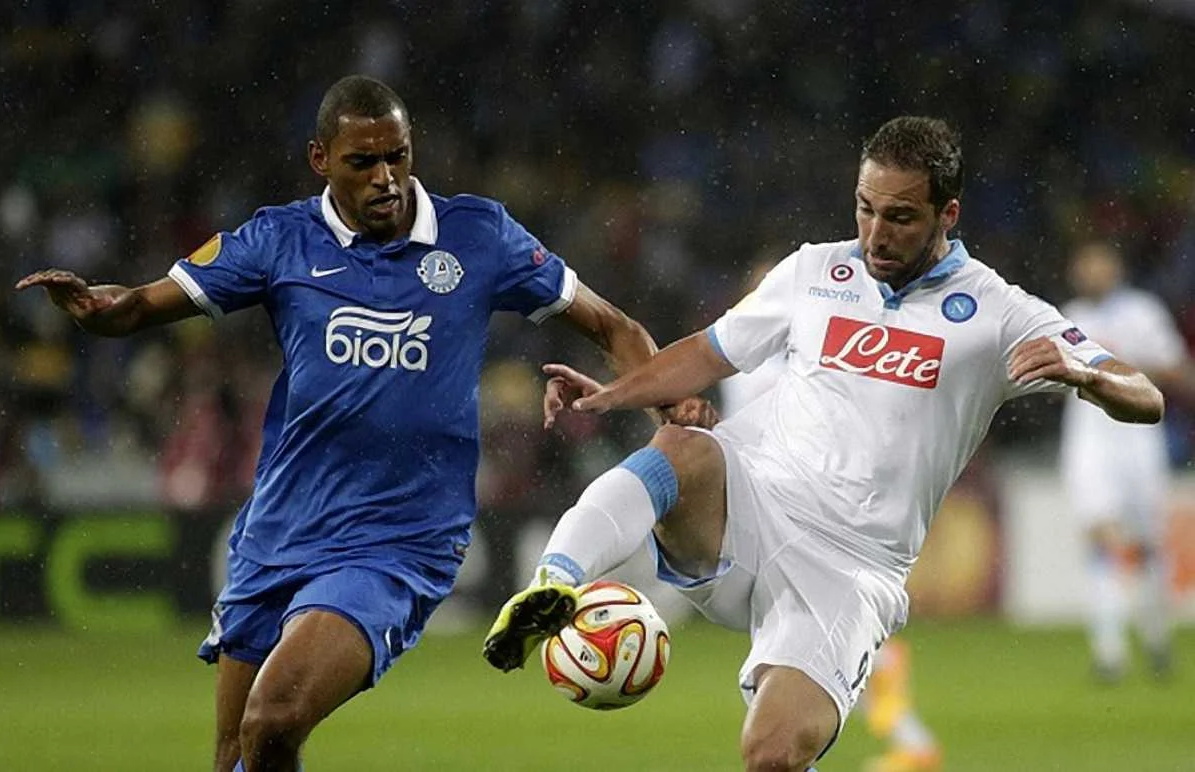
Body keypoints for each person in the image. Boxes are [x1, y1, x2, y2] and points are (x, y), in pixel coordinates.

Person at [15, 74, 713, 772]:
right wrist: (99, 309)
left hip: (396, 540)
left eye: (397, 156)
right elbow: (142, 304)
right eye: (363, 162)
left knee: (273, 717)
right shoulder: (279, 240)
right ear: (320, 159)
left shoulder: (477, 236)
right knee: (237, 754)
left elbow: (612, 326)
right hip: (278, 528)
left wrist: (667, 399)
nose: (386, 178)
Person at [482, 116, 1164, 772]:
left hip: (852, 565)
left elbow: (1145, 396)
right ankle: (555, 580)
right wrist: (611, 395)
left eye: (900, 217)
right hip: (754, 501)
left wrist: (1089, 377)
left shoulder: (999, 311)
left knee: (773, 754)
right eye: (865, 209)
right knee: (682, 447)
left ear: (947, 215)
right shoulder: (815, 270)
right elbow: (705, 354)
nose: (875, 234)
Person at [718, 257, 941, 772]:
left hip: (815, 521)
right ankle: (906, 730)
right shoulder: (749, 371)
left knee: (797, 654)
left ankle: (908, 734)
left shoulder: (817, 360)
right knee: (791, 655)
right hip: (767, 513)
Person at [1059, 240, 1195, 683]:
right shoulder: (1068, 316)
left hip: (1137, 438)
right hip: (1090, 440)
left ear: (1115, 268)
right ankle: (1109, 652)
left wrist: (1126, 370)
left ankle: (1156, 637)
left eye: (1098, 264)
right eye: (1085, 265)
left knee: (1147, 544)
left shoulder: (1141, 313)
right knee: (1101, 538)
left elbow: (1174, 367)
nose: (1091, 273)